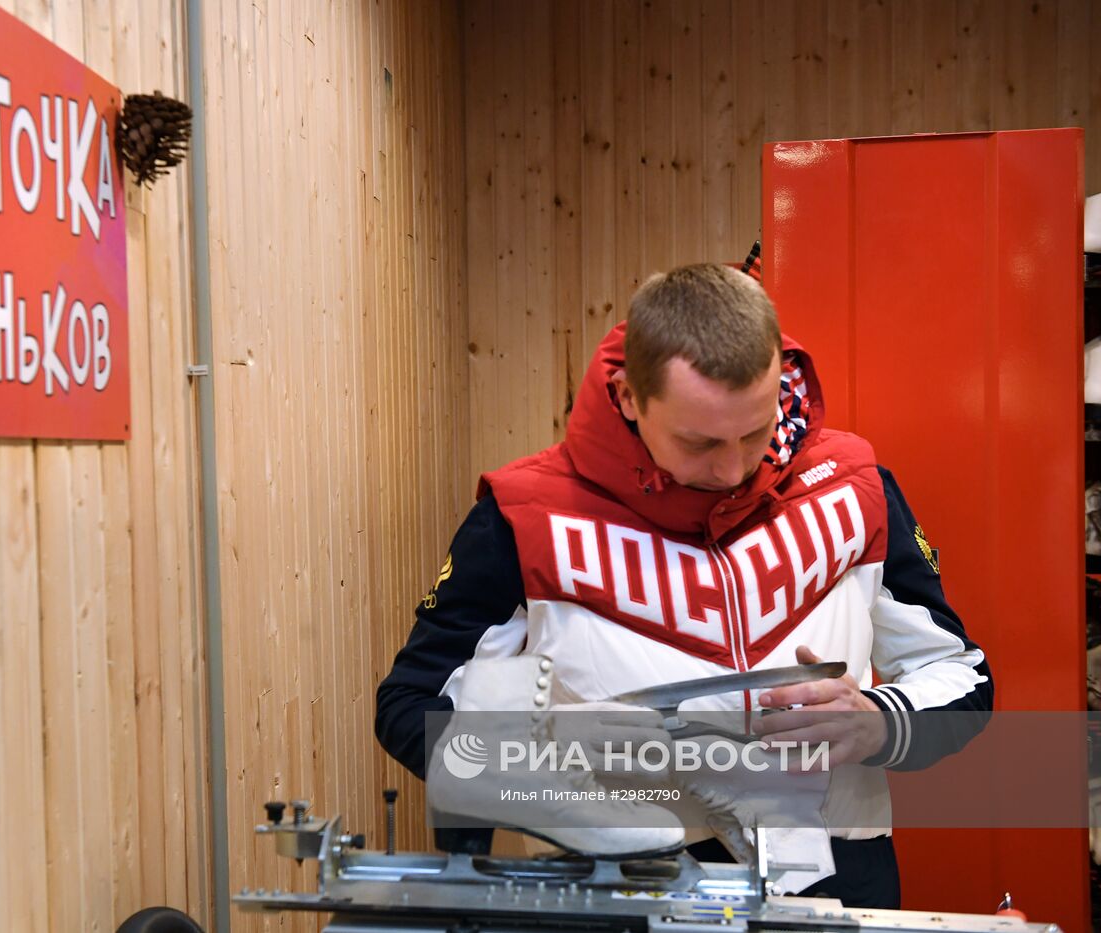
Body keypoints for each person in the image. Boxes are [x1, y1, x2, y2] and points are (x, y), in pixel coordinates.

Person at [375, 262, 993, 909]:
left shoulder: (855, 488)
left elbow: (963, 677)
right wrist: (544, 777)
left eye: (755, 432)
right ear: (629, 398)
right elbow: (411, 704)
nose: (732, 469)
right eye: (699, 442)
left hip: (834, 886)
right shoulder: (525, 517)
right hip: (613, 891)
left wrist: (880, 723)